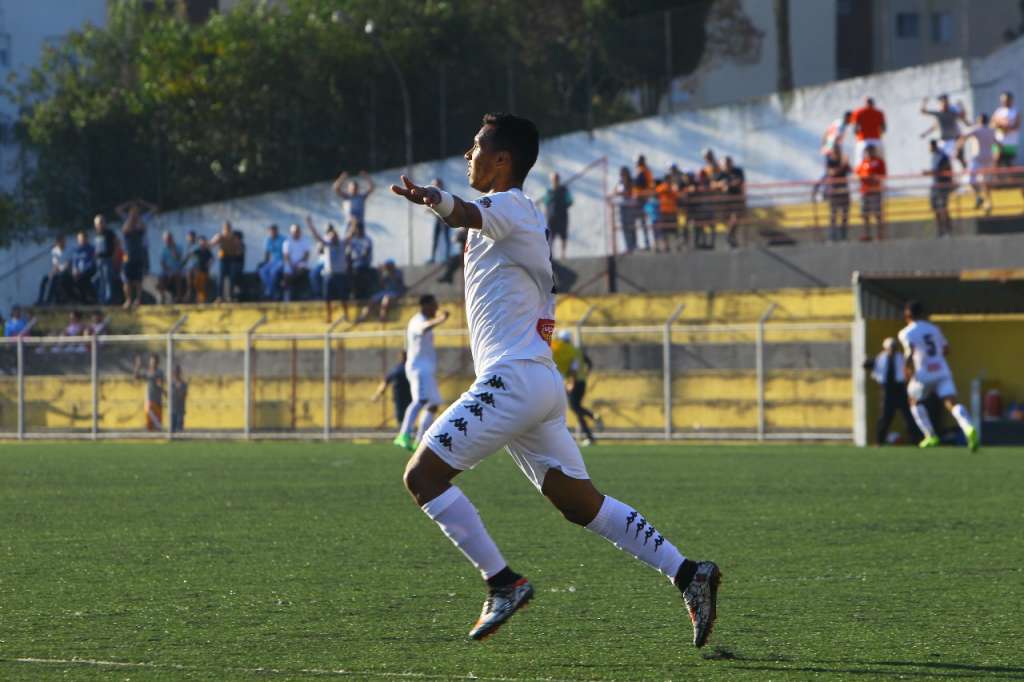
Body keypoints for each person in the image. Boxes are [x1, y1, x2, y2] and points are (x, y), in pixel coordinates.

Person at [389, 112, 720, 645]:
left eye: (476, 146)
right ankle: (689, 572)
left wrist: (434, 198)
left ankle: (503, 582)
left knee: (422, 477)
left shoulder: (509, 206)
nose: (468, 155)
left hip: (514, 377)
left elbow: (466, 212)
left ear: (503, 160)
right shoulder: (512, 216)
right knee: (578, 501)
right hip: (535, 382)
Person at [898, 300, 979, 451]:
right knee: (951, 402)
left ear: (907, 315)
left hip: (923, 373)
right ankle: (968, 428)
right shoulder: (934, 329)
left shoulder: (906, 332)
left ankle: (930, 436)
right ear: (922, 313)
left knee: (914, 401)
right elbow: (946, 349)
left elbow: (909, 353)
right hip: (942, 370)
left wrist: (907, 371)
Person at [393, 294, 449, 451]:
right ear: (424, 306)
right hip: (418, 368)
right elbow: (424, 328)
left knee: (433, 405)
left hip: (427, 369)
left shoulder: (423, 320)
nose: (436, 309)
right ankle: (403, 434)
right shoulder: (417, 321)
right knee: (420, 400)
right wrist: (441, 319)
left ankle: (419, 441)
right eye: (433, 306)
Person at [551, 330, 601, 446]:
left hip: (573, 382)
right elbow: (589, 363)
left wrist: (571, 382)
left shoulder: (566, 351)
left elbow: (573, 368)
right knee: (577, 409)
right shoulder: (577, 351)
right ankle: (590, 437)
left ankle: (593, 416)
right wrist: (585, 374)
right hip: (581, 382)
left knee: (574, 407)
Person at [868, 337, 921, 446]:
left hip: (900, 389)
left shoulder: (901, 357)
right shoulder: (881, 358)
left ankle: (916, 441)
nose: (892, 349)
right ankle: (879, 441)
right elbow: (876, 373)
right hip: (887, 389)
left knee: (908, 416)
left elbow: (907, 372)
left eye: (894, 347)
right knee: (885, 417)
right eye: (890, 347)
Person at [306, 217, 351, 317]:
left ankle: (346, 315)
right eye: (331, 236)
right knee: (327, 297)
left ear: (337, 237)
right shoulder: (328, 244)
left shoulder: (342, 244)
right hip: (329, 274)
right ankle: (329, 316)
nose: (332, 238)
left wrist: (354, 223)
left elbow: (350, 236)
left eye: (334, 236)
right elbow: (317, 236)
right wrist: (310, 225)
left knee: (343, 297)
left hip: (340, 274)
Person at [116, 200, 156, 310]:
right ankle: (128, 299)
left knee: (138, 278)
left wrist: (142, 203)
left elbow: (144, 226)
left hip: (140, 253)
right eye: (132, 213)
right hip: (127, 255)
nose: (134, 215)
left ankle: (138, 299)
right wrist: (129, 206)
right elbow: (119, 212)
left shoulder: (141, 224)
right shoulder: (126, 227)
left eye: (136, 212)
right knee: (126, 278)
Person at [958, 113, 997, 212]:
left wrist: (958, 147)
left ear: (979, 120)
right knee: (985, 183)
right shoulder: (991, 130)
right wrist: (996, 157)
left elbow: (963, 135)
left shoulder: (976, 129)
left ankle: (978, 197)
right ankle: (989, 204)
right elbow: (998, 144)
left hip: (977, 158)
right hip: (988, 158)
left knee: (968, 181)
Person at [814, 145, 852, 241]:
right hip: (834, 193)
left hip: (844, 192)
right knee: (833, 216)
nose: (835, 154)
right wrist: (843, 164)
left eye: (837, 151)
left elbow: (851, 171)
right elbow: (832, 173)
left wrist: (847, 163)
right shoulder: (830, 162)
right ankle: (832, 237)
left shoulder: (843, 161)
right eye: (834, 152)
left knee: (844, 216)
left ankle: (843, 236)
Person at [371, 351, 413, 430]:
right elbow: (385, 383)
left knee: (402, 419)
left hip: (401, 399)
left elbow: (385, 383)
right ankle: (406, 433)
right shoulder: (409, 369)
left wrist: (376, 395)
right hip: (407, 398)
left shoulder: (397, 370)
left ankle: (403, 434)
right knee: (408, 417)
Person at [356, 259, 406, 323]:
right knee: (372, 300)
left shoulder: (398, 272)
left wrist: (390, 274)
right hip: (385, 292)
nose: (388, 267)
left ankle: (382, 317)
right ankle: (362, 316)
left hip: (394, 292)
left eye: (389, 266)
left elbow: (399, 283)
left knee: (385, 300)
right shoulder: (385, 273)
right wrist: (380, 273)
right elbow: (381, 284)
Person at [991, 91, 1022, 193]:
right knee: (996, 161)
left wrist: (1006, 128)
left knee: (1008, 164)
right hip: (998, 141)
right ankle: (997, 183)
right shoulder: (998, 111)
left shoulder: (1015, 111)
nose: (1005, 102)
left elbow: (1016, 126)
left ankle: (1015, 184)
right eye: (1003, 100)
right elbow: (992, 124)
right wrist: (999, 125)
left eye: (1007, 100)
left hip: (1010, 143)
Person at [919, 95, 965, 161]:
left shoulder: (952, 113)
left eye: (946, 103)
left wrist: (961, 106)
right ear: (941, 104)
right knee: (933, 146)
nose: (945, 106)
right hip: (942, 142)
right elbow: (924, 113)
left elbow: (962, 115)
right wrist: (924, 102)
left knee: (955, 157)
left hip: (952, 142)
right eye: (943, 103)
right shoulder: (939, 114)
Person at [855, 145, 886, 241]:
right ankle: (866, 234)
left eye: (870, 151)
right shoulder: (863, 163)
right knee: (865, 215)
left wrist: (873, 178)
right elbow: (857, 174)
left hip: (875, 191)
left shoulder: (879, 162)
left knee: (878, 214)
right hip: (865, 192)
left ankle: (879, 235)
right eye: (867, 152)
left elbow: (882, 174)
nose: (868, 153)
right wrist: (864, 178)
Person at [925, 139, 954, 237]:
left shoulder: (942, 156)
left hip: (942, 186)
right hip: (935, 186)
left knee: (943, 208)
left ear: (933, 146)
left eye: (929, 146)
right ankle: (941, 231)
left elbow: (941, 170)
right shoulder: (935, 156)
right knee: (936, 208)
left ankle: (948, 230)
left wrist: (929, 173)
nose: (928, 148)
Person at [716, 156, 746, 248]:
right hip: (724, 201)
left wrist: (728, 185)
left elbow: (739, 181)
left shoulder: (737, 171)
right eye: (725, 164)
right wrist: (721, 184)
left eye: (729, 163)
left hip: (736, 199)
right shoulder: (720, 173)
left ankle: (729, 235)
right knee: (726, 219)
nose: (727, 165)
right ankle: (731, 237)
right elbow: (713, 183)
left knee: (735, 218)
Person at [209, 221, 243, 303]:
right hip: (223, 258)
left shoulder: (233, 236)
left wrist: (237, 250)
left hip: (231, 258)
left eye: (228, 227)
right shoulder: (220, 236)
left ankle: (230, 296)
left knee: (232, 278)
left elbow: (239, 249)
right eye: (225, 227)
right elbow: (211, 243)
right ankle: (219, 296)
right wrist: (212, 243)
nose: (227, 229)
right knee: (221, 278)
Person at [542, 172, 573, 259]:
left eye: (556, 179)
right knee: (551, 237)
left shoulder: (564, 190)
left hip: (562, 217)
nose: (555, 181)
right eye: (553, 179)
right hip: (551, 218)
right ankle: (551, 255)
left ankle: (563, 255)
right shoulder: (549, 191)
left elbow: (570, 201)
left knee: (563, 236)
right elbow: (545, 202)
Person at [133, 353, 165, 432]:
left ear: (157, 363)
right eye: (152, 362)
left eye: (154, 362)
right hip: (149, 400)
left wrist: (163, 389)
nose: (153, 364)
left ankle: (158, 429)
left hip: (158, 401)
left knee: (158, 427)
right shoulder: (147, 372)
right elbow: (136, 377)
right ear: (150, 362)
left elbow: (160, 383)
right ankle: (153, 429)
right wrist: (137, 366)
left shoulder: (159, 372)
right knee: (150, 424)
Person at [281, 223, 312, 302]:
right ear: (291, 232)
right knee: (288, 273)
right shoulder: (287, 242)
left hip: (301, 265)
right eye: (294, 231)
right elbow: (286, 256)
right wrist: (292, 266)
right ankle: (288, 295)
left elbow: (306, 256)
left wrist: (297, 264)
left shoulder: (305, 241)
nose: (296, 233)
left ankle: (298, 295)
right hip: (290, 266)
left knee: (300, 272)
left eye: (297, 231)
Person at [851, 97, 886, 164]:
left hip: (863, 141)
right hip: (876, 140)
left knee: (859, 162)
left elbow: (855, 130)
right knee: (881, 160)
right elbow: (883, 129)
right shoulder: (879, 113)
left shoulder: (858, 112)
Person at [345, 219, 374, 300]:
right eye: (358, 228)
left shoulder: (367, 239)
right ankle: (354, 294)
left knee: (362, 280)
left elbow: (366, 253)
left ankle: (363, 295)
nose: (359, 230)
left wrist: (356, 258)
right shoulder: (352, 240)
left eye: (361, 228)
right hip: (354, 265)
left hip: (364, 265)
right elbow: (348, 251)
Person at [611, 166, 638, 253]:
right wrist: (617, 193)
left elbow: (632, 193)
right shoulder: (620, 183)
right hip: (622, 206)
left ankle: (633, 245)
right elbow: (615, 191)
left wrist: (623, 193)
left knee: (631, 227)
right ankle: (629, 246)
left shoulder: (632, 182)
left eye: (623, 174)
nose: (622, 176)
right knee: (625, 227)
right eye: (621, 174)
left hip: (630, 206)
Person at [39, 234, 71, 305]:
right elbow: (55, 264)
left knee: (55, 280)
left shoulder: (69, 250)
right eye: (60, 242)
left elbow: (68, 264)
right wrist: (52, 272)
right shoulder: (55, 250)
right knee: (45, 279)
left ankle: (49, 300)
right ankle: (41, 299)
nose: (62, 243)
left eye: (63, 241)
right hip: (58, 271)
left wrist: (59, 270)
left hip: (66, 271)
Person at [92, 214, 117, 305]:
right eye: (98, 223)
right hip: (99, 260)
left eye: (101, 222)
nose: (100, 224)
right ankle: (101, 299)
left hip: (107, 259)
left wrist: (114, 256)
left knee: (107, 280)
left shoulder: (109, 233)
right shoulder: (96, 234)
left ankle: (108, 300)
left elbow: (116, 244)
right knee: (100, 280)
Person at [257, 224, 286, 300]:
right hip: (273, 261)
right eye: (270, 232)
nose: (272, 233)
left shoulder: (283, 239)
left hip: (282, 260)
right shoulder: (268, 240)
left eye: (273, 231)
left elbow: (286, 253)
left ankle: (270, 292)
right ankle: (272, 290)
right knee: (262, 271)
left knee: (274, 272)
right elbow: (267, 253)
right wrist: (265, 262)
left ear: (277, 231)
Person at [157, 231, 185, 304]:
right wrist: (168, 271)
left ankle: (178, 297)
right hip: (167, 270)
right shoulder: (163, 249)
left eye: (169, 239)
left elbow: (179, 258)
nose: (168, 241)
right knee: (160, 279)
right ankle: (162, 297)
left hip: (177, 269)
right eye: (166, 239)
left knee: (177, 276)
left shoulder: (178, 247)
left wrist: (173, 249)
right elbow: (162, 263)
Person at [633, 155, 654, 250]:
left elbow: (645, 185)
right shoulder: (641, 171)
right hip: (640, 198)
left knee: (643, 222)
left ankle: (647, 243)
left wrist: (644, 194)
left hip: (642, 199)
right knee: (640, 222)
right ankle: (645, 243)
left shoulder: (644, 171)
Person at [428, 178, 450, 264]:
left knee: (446, 238)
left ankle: (447, 258)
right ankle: (433, 258)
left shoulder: (444, 195)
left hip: (445, 219)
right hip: (439, 219)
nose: (434, 186)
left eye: (435, 184)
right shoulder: (434, 195)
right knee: (436, 239)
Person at [71, 231, 97, 304]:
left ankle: (88, 300)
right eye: (80, 239)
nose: (81, 240)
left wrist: (81, 271)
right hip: (78, 272)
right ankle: (80, 301)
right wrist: (74, 269)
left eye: (83, 239)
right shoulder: (76, 250)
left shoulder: (91, 249)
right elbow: (74, 262)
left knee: (82, 280)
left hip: (88, 270)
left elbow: (91, 263)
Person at [170, 364, 188, 433]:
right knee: (172, 430)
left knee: (179, 430)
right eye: (175, 372)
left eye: (177, 372)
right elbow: (170, 395)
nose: (176, 373)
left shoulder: (183, 384)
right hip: (172, 410)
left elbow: (184, 395)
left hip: (180, 410)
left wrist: (178, 392)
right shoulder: (171, 384)